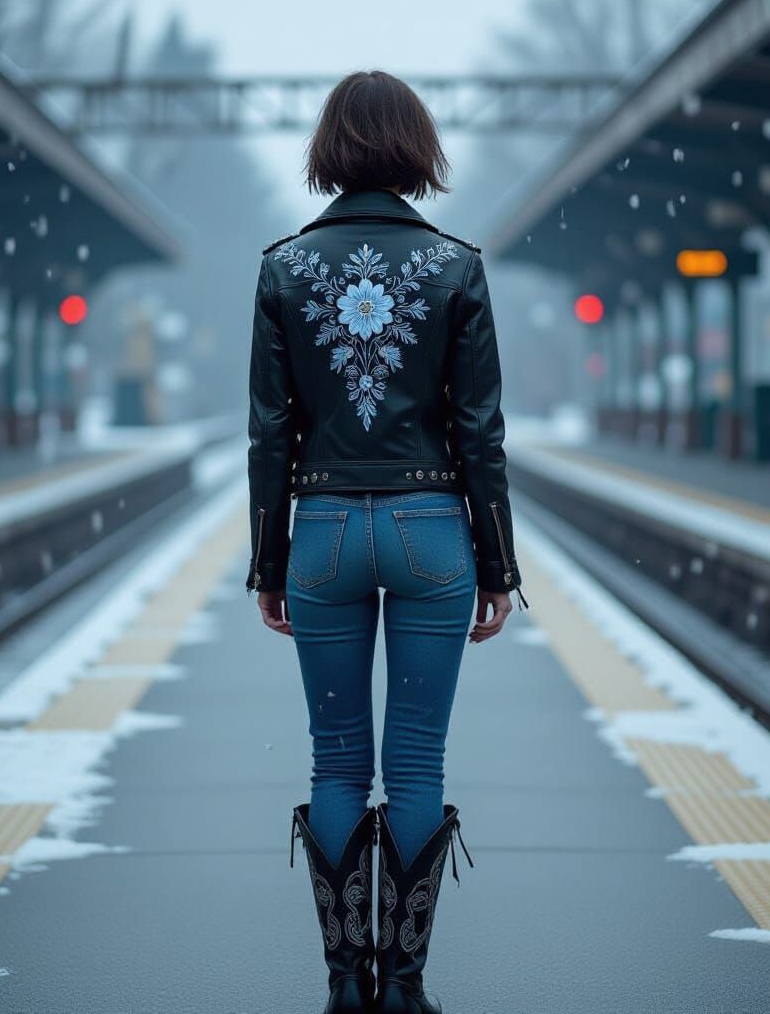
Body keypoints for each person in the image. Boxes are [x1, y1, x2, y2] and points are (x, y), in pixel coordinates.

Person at [245, 69, 527, 1014]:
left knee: (335, 760)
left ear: (329, 148)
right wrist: (499, 565)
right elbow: (480, 430)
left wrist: (267, 562)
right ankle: (403, 987)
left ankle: (343, 987)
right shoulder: (456, 265)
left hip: (322, 530)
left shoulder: (284, 267)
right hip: (430, 532)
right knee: (415, 762)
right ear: (417, 148)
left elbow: (269, 432)